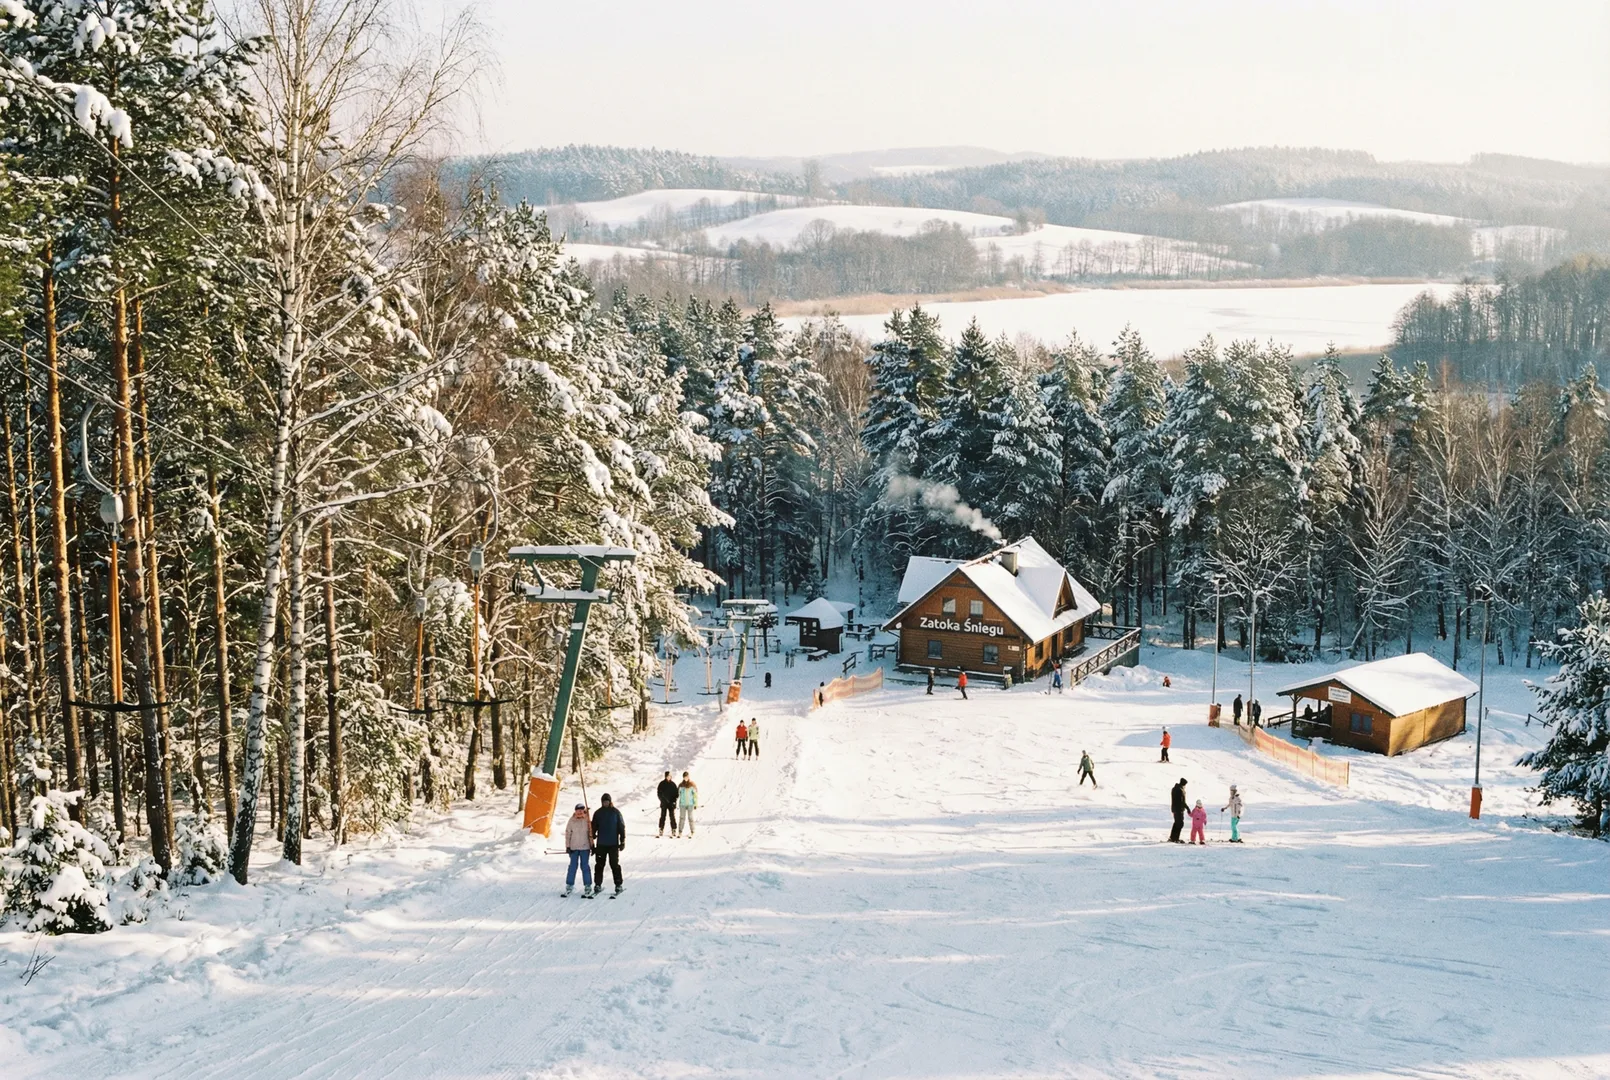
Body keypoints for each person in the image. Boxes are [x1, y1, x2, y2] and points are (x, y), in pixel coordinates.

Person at [591, 793, 626, 896]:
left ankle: (618, 884)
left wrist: (622, 841)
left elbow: (621, 827)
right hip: (601, 844)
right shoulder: (598, 813)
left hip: (613, 845)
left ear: (610, 801)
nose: (605, 803)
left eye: (607, 801)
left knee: (614, 865)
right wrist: (592, 835)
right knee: (599, 865)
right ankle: (597, 884)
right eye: (604, 802)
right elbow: (594, 827)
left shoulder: (616, 813)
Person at [562, 803, 594, 898]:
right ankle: (569, 885)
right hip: (574, 847)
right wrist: (568, 846)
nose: (579, 812)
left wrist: (592, 845)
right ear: (575, 811)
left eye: (581, 810)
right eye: (578, 810)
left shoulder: (587, 820)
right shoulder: (572, 820)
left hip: (585, 847)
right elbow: (568, 833)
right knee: (572, 866)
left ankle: (588, 886)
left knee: (585, 866)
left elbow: (591, 833)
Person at [656, 771, 679, 837]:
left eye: (670, 776)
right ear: (665, 776)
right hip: (664, 804)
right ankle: (661, 829)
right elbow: (659, 794)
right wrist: (662, 800)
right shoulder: (661, 784)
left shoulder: (673, 784)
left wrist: (674, 802)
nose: (669, 777)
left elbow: (676, 794)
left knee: (672, 816)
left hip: (671, 804)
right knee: (663, 816)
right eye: (668, 776)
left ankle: (674, 829)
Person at [677, 771, 698, 836]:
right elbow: (678, 795)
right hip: (682, 804)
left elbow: (695, 795)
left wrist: (695, 804)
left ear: (688, 777)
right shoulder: (680, 785)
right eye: (684, 777)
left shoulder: (692, 784)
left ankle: (692, 831)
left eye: (687, 777)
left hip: (690, 804)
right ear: (683, 777)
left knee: (690, 817)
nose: (686, 778)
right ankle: (680, 832)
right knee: (682, 818)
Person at [1169, 778, 1188, 843]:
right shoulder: (1180, 790)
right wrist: (1187, 808)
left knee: (1176, 823)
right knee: (1180, 823)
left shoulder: (1174, 788)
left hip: (1174, 809)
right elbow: (1182, 801)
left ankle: (1172, 837)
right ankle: (1176, 838)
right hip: (1179, 809)